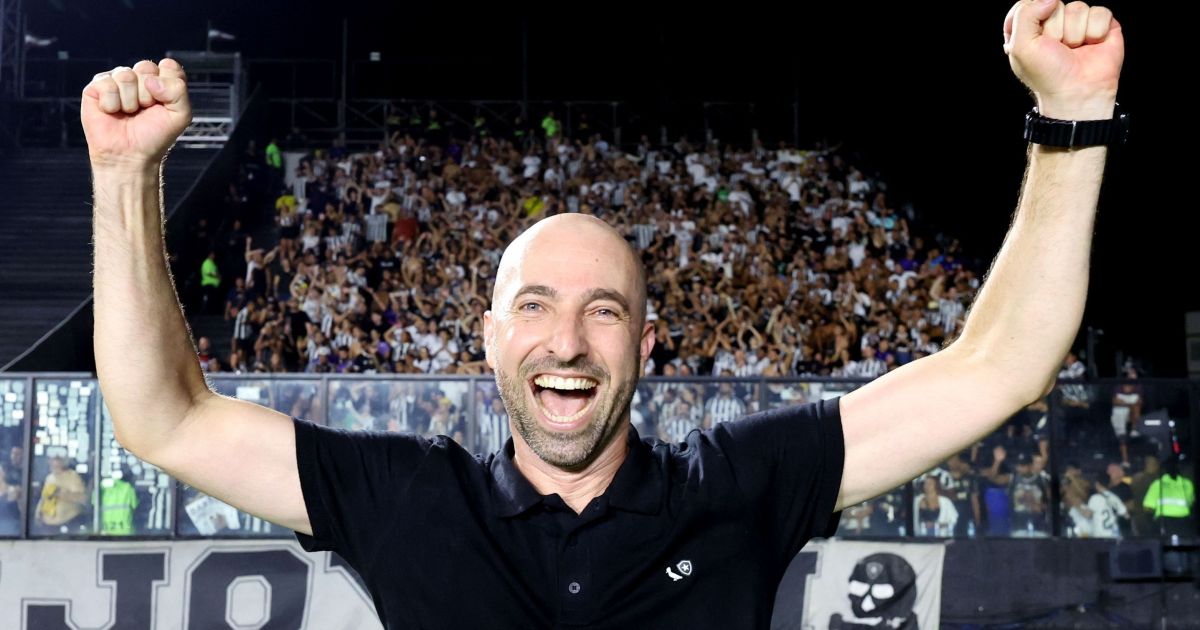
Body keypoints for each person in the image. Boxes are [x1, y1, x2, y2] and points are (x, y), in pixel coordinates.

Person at [83, 3, 1124, 627]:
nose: (568, 343)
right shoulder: (408, 501)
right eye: (534, 305)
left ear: (648, 344)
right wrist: (127, 178)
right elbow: (162, 418)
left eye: (604, 311)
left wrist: (1071, 117)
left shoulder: (741, 486)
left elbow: (1002, 365)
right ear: (489, 337)